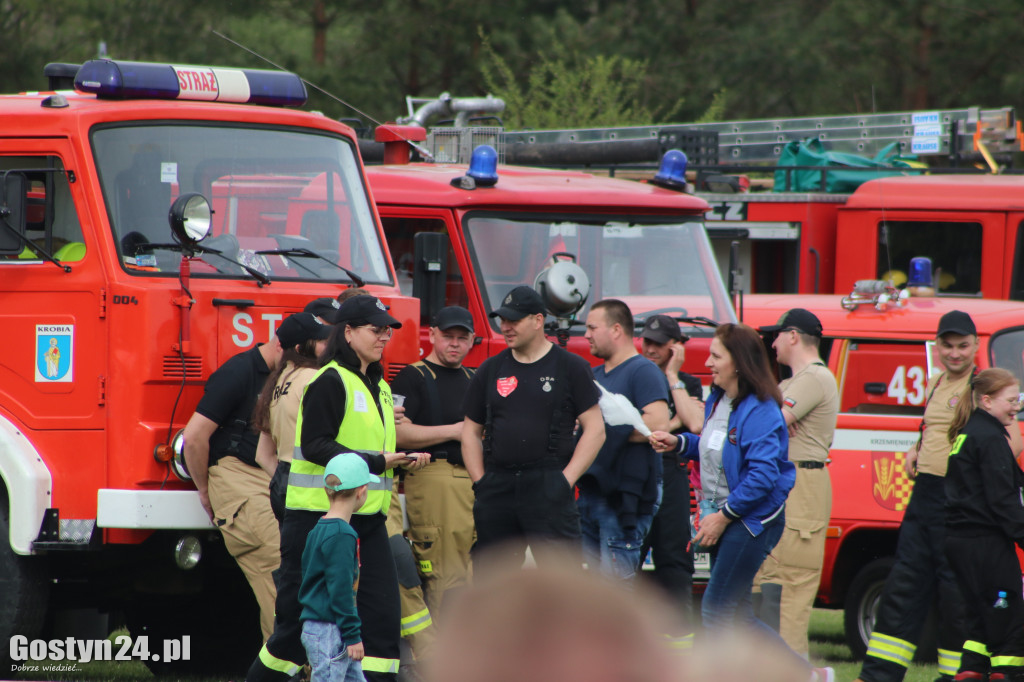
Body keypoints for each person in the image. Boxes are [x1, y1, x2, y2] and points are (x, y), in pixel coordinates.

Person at [247, 294, 429, 682]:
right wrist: (379, 461)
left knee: (381, 620)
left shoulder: (378, 384)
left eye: (388, 331)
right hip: (318, 520)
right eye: (376, 329)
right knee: (294, 632)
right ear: (348, 332)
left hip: (368, 520)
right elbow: (315, 445)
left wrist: (399, 458)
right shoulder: (329, 380)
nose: (384, 337)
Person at [649, 323, 830, 681]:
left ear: (739, 362)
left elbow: (762, 477)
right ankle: (810, 677)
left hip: (750, 521)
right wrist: (680, 444)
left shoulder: (761, 408)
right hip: (726, 516)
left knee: (716, 611)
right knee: (737, 614)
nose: (709, 362)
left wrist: (723, 516)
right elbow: (714, 445)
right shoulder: (719, 398)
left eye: (717, 356)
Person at [854, 310, 981, 682]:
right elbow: (933, 428)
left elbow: (1009, 441)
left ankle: (956, 675)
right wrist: (916, 448)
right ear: (937, 345)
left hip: (958, 499)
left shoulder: (982, 386)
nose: (955, 353)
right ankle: (878, 674)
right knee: (903, 585)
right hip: (924, 493)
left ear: (975, 345)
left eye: (963, 346)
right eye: (947, 345)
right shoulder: (937, 382)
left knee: (954, 592)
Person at [462, 285, 605, 573]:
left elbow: (596, 430)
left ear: (538, 321)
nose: (505, 327)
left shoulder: (571, 367)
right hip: (497, 487)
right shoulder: (490, 369)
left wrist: (565, 481)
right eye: (502, 320)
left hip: (549, 485)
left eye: (514, 320)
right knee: (495, 585)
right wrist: (481, 482)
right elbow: (470, 431)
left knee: (562, 582)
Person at [183, 331, 283, 643]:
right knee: (276, 560)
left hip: (269, 474)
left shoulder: (284, 374)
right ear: (283, 345)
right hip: (235, 472)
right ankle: (289, 665)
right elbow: (195, 436)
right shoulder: (238, 372)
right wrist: (204, 488)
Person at [755, 308, 839, 657]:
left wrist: (771, 419)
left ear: (793, 336)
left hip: (800, 482)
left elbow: (764, 423)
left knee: (787, 590)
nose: (771, 344)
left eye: (775, 336)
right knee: (768, 587)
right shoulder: (791, 383)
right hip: (785, 481)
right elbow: (763, 420)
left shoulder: (813, 378)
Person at [391, 305, 477, 616]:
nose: (454, 343)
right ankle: (441, 654)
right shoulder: (412, 377)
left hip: (475, 478)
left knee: (472, 570)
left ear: (472, 340)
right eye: (448, 336)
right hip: (434, 477)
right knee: (443, 571)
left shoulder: (474, 377)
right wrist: (454, 431)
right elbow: (397, 434)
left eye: (462, 337)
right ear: (431, 335)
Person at [943, 368, 1024, 682]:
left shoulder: (969, 432)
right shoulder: (990, 439)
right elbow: (1002, 498)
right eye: (1011, 400)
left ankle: (972, 668)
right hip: (986, 545)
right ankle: (1007, 672)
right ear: (987, 401)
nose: (1016, 406)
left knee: (982, 610)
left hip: (960, 543)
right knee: (1007, 608)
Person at [580, 299, 669, 580]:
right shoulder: (593, 376)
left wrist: (599, 435)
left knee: (616, 591)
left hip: (626, 495)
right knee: (592, 595)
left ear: (616, 329)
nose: (586, 335)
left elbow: (656, 423)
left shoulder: (643, 371)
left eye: (592, 327)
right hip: (593, 490)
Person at [637, 314, 704, 634]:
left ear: (675, 347)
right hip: (636, 477)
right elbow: (637, 427)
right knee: (627, 559)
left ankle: (679, 644)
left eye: (658, 344)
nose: (649, 348)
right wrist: (671, 421)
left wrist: (673, 374)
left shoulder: (687, 382)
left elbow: (696, 425)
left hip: (672, 476)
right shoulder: (633, 374)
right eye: (647, 341)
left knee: (675, 561)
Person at [300, 453, 378, 682]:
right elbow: (341, 589)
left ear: (327, 490)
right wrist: (353, 635)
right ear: (361, 491)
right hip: (331, 630)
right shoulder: (343, 534)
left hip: (319, 626)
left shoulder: (319, 529)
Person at [252, 312, 332, 527]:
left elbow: (262, 455)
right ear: (300, 349)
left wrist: (285, 480)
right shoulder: (314, 379)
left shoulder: (278, 382)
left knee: (291, 558)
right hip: (312, 493)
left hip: (283, 485)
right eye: (322, 342)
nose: (329, 346)